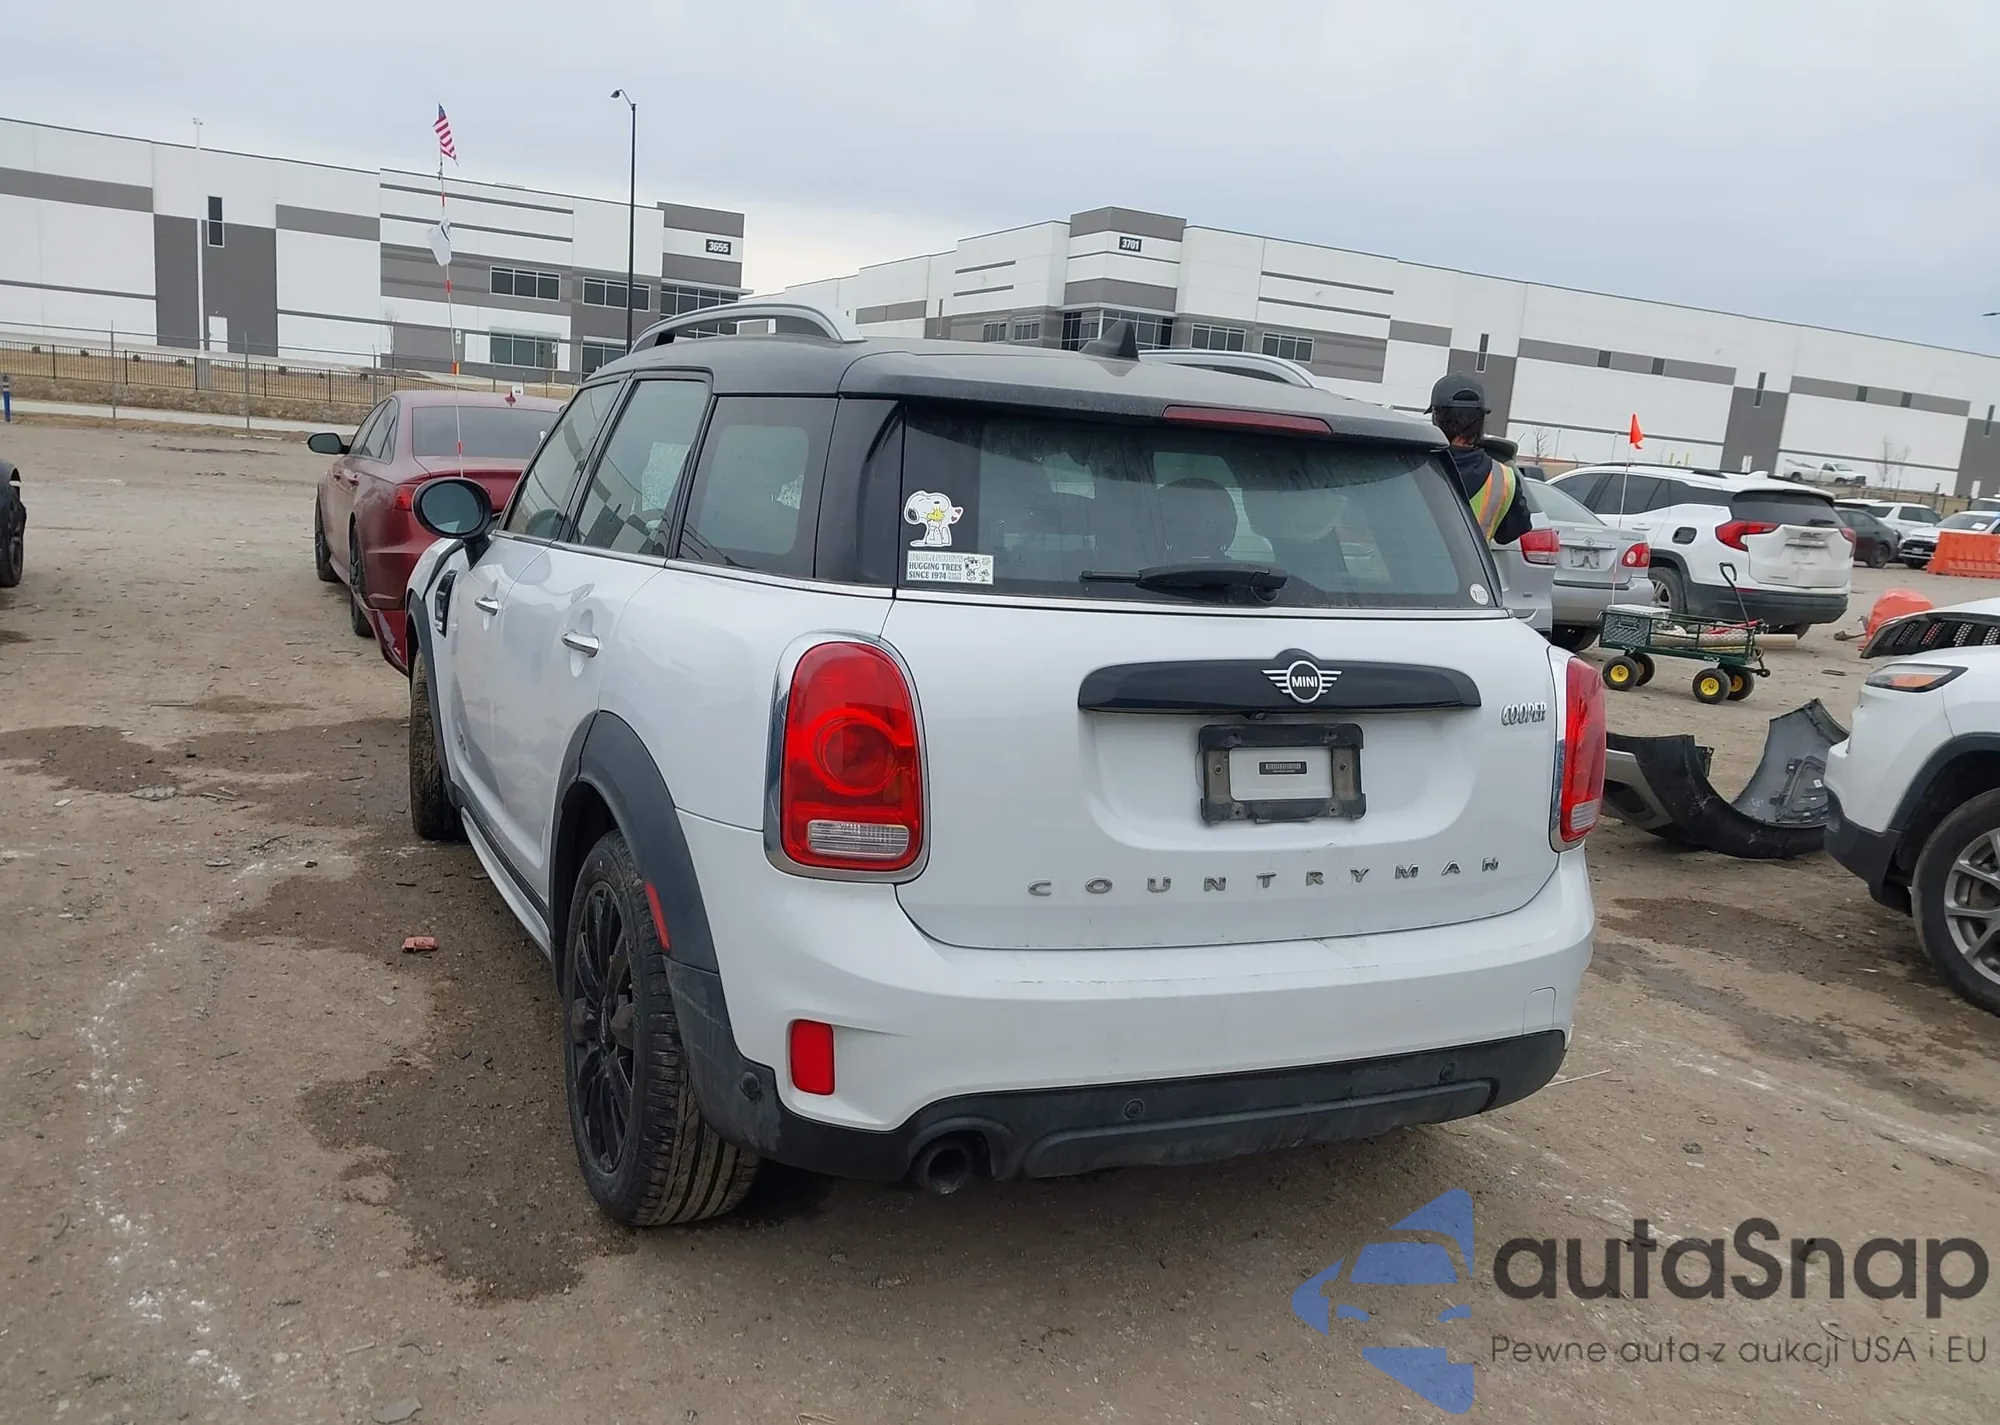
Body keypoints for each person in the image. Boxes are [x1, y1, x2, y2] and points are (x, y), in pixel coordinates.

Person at [1426, 373, 1532, 546]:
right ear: (1481, 420)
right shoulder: (1504, 478)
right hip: (1469, 564)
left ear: (1436, 417)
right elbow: (1509, 533)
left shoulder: (1413, 466)